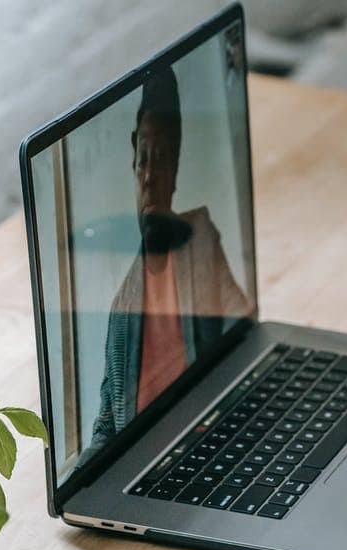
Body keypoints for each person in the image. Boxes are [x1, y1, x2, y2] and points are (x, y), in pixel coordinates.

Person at [84, 66, 253, 461]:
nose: (150, 176)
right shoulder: (121, 306)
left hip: (209, 444)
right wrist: (78, 485)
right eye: (144, 159)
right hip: (146, 464)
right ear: (133, 163)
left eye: (162, 160)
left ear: (175, 170)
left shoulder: (199, 238)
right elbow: (107, 423)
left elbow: (241, 327)